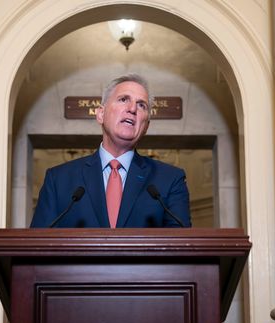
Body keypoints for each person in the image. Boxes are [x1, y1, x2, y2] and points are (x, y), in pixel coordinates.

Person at [30, 73, 191, 228]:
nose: (132, 109)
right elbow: (37, 249)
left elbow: (183, 249)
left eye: (142, 105)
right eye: (123, 99)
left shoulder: (170, 180)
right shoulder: (58, 179)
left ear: (146, 126)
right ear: (100, 114)